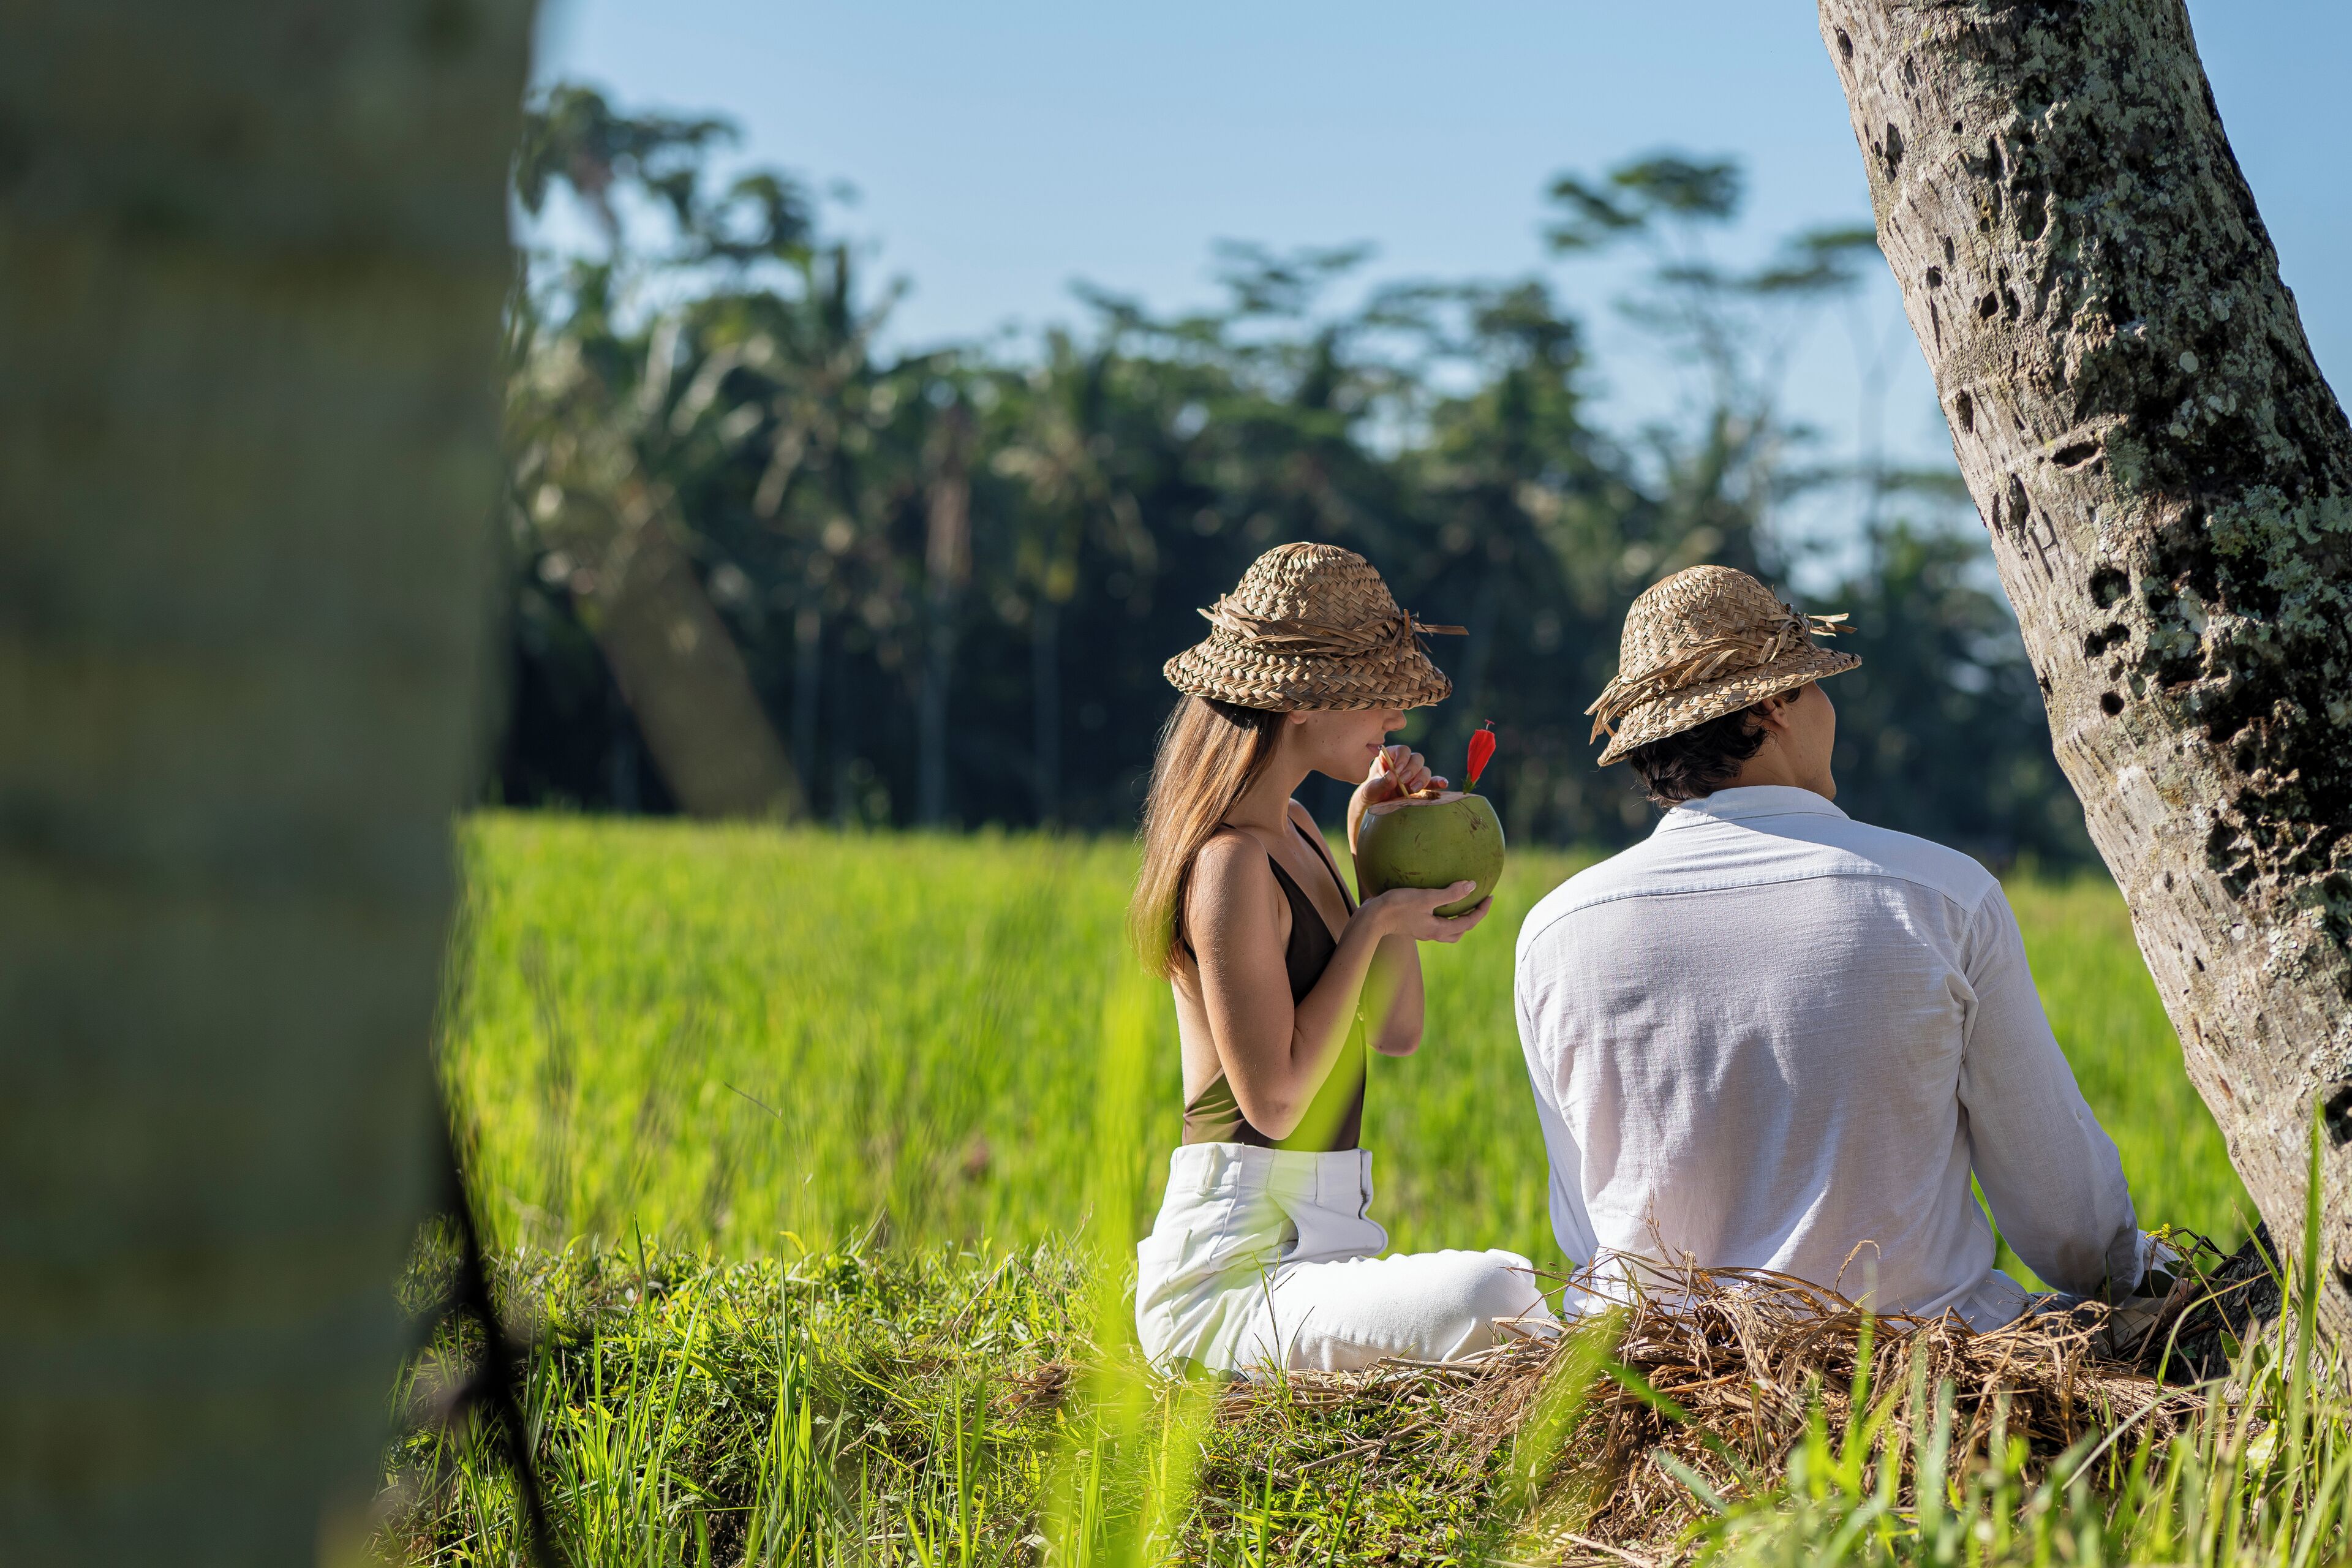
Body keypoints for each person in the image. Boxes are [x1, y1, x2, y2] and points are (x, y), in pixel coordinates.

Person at [1515, 564, 2162, 1329]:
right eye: (1814, 685)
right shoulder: (1940, 895)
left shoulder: (1556, 930)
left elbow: (1585, 1227)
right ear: (1775, 705)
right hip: (1922, 1380)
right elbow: (2065, 1213)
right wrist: (2138, 1275)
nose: (1828, 708)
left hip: (1664, 1386)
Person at [1131, 541, 1555, 1373]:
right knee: (1497, 1290)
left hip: (1325, 1247)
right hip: (1231, 1277)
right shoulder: (1230, 862)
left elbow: (1397, 1030)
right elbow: (1277, 1103)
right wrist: (1371, 927)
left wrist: (1377, 854)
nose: (1394, 721)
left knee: (1508, 1285)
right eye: (1375, 699)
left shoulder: (1298, 832)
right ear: (1301, 707)